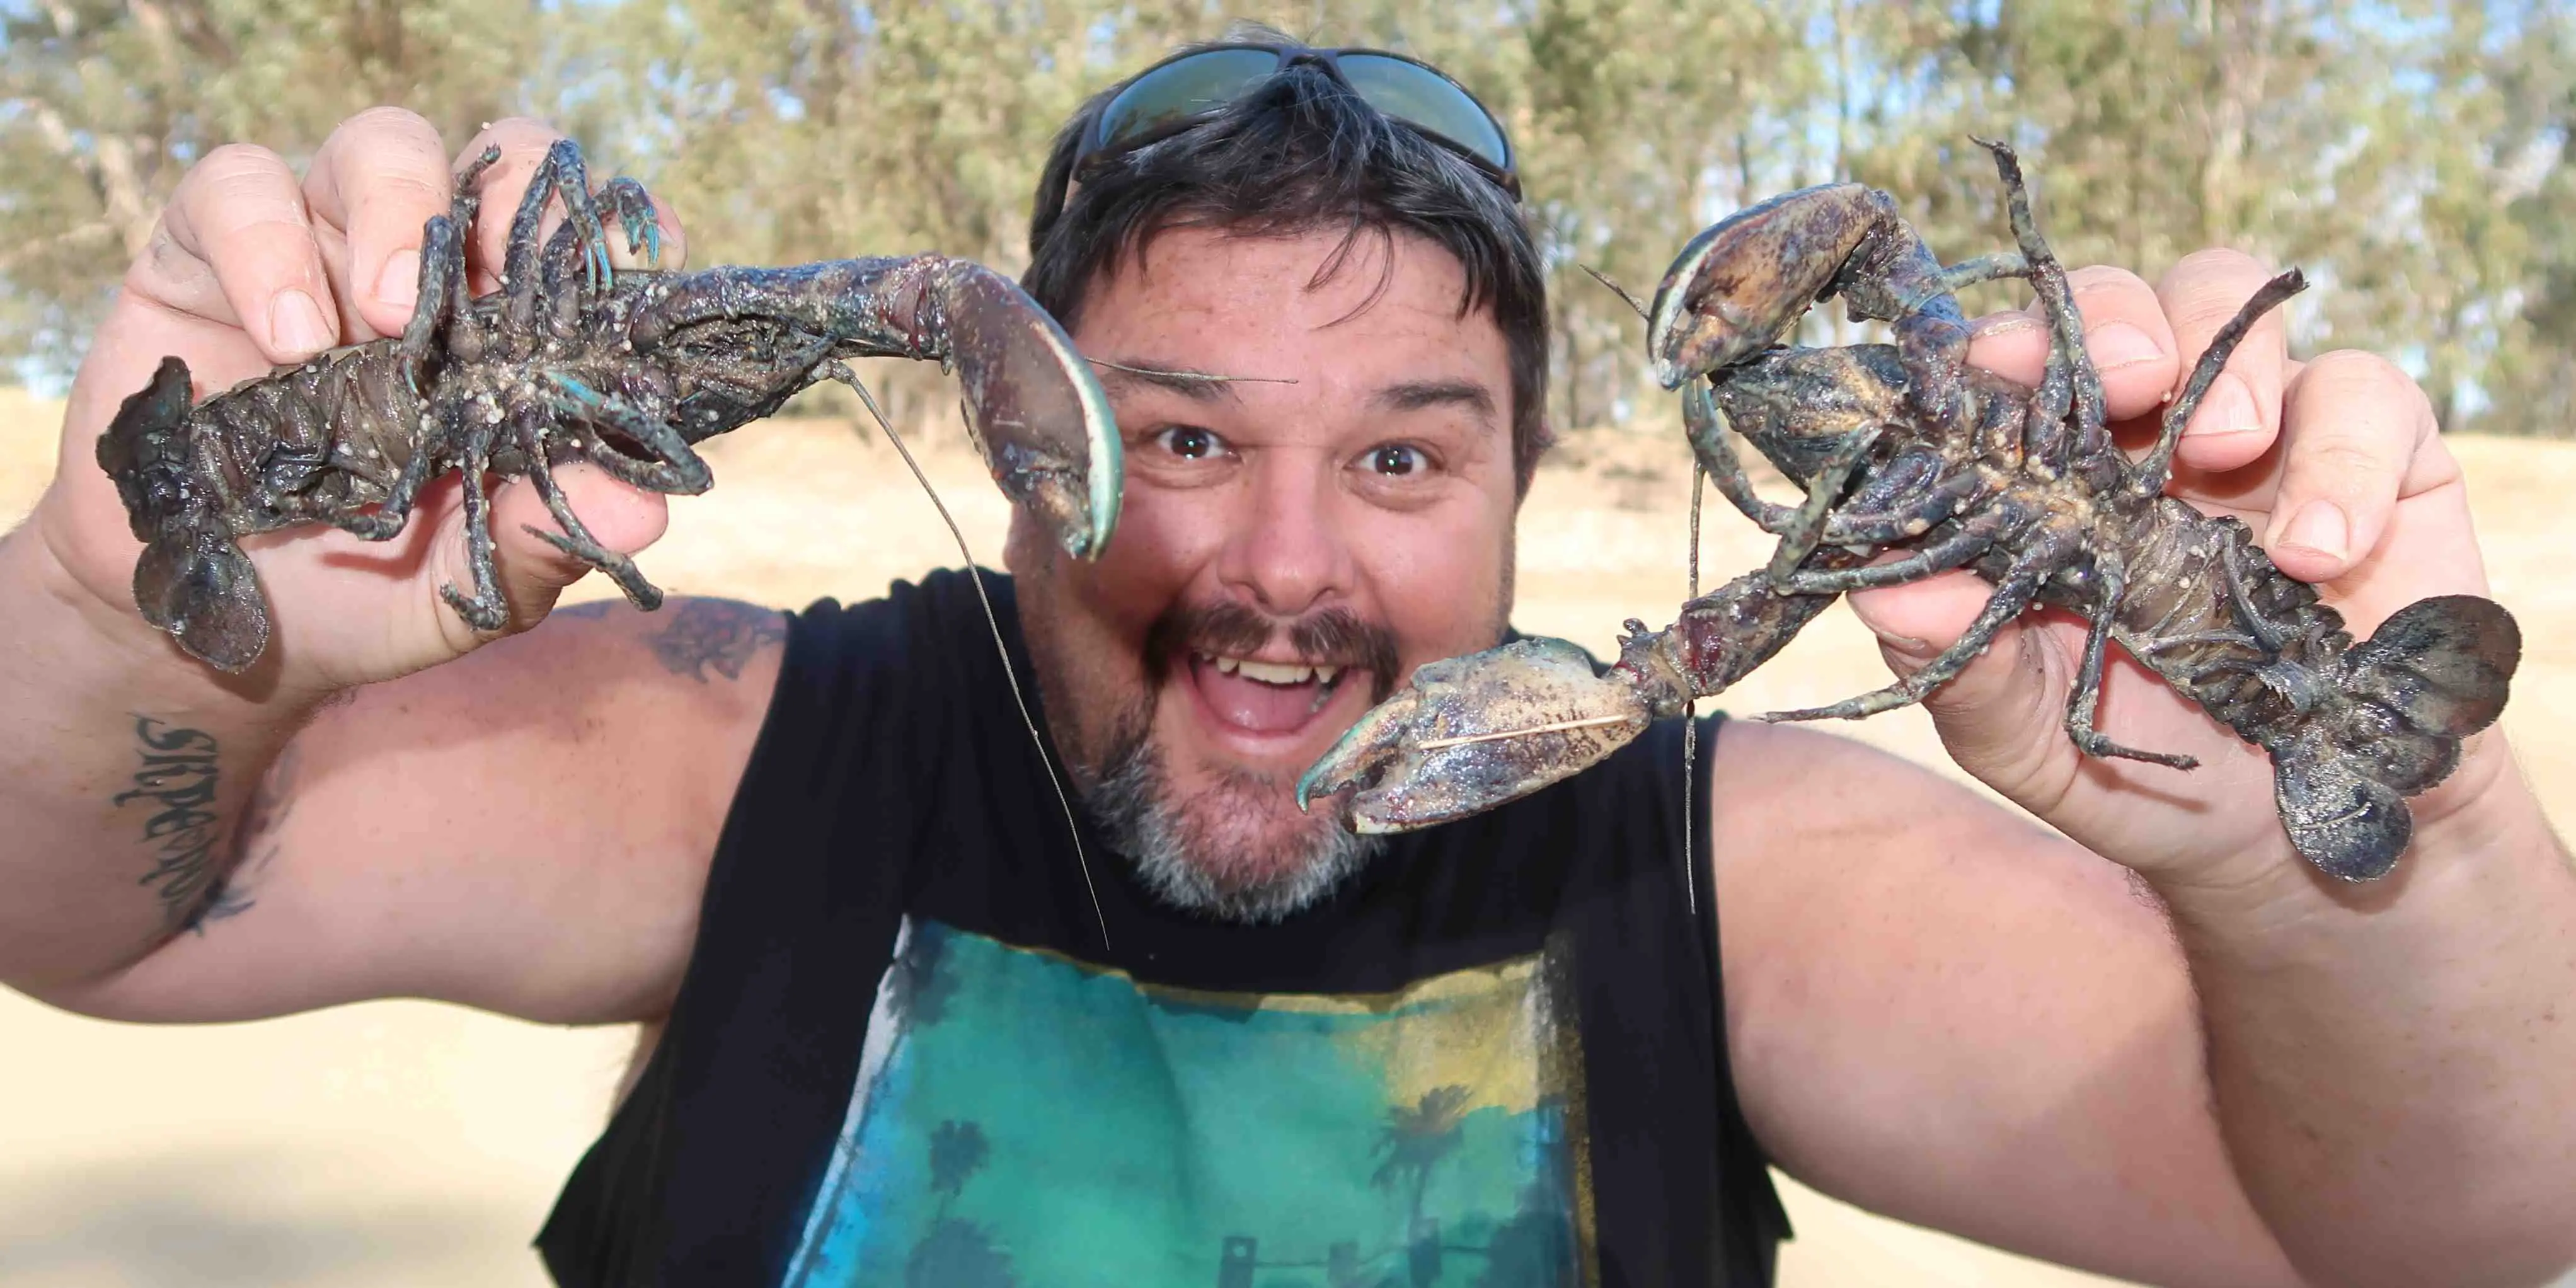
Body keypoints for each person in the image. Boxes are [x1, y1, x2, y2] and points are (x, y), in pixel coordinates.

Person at [4, 35, 2572, 1288]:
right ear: (1016, 433)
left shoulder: (1698, 849)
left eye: (1403, 457)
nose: (1277, 565)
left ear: (1532, 480)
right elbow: (83, 914)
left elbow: (2459, 1230)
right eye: (1178, 438)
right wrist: (148, 627)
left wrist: (2365, 858)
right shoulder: (755, 751)